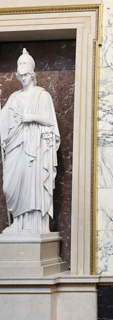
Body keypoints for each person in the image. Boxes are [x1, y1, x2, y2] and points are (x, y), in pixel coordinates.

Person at [0, 49, 60, 235]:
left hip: (35, 148)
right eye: (21, 75)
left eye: (26, 75)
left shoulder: (42, 96)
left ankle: (34, 226)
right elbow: (3, 120)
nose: (23, 78)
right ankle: (17, 224)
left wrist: (31, 117)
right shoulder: (14, 97)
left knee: (31, 185)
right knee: (10, 186)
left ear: (32, 74)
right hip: (15, 146)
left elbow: (50, 122)